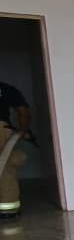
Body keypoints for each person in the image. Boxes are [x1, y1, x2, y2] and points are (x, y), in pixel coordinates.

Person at [0, 80, 31, 218]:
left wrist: (21, 132)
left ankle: (8, 207)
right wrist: (22, 131)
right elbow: (23, 112)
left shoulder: (6, 88)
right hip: (2, 129)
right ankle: (8, 208)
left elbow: (22, 112)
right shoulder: (6, 88)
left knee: (6, 165)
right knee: (5, 166)